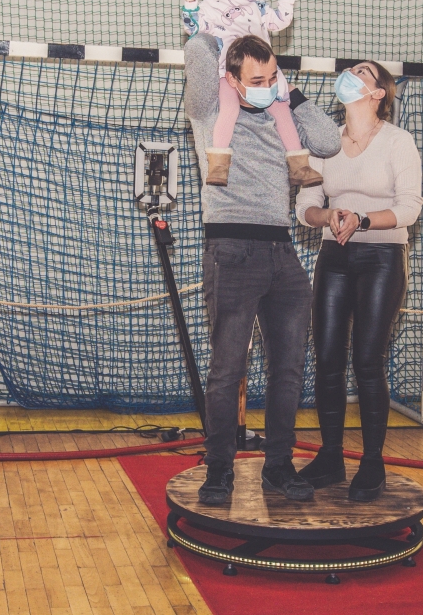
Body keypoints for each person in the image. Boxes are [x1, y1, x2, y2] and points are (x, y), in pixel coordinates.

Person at [184, 32, 342, 504]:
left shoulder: (280, 112)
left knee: (288, 368)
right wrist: (223, 21)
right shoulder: (209, 110)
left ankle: (278, 466)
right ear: (231, 79)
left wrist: (289, 92)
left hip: (281, 252)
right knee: (227, 369)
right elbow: (196, 51)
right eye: (256, 80)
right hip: (231, 249)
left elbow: (328, 142)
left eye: (272, 76)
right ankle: (219, 470)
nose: (266, 85)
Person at [294, 61, 423, 502]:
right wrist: (327, 215)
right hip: (333, 256)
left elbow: (410, 208)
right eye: (349, 69)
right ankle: (331, 457)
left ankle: (372, 463)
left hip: (382, 257)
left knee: (368, 361)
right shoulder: (324, 143)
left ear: (378, 93)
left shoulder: (398, 141)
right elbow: (305, 206)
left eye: (362, 72)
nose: (351, 73)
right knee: (328, 358)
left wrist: (363, 219)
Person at [179, 0, 327, 188]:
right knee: (228, 108)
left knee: (282, 111)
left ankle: (299, 166)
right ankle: (218, 163)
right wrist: (190, 0)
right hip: (228, 73)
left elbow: (280, 22)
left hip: (263, 72)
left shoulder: (258, 5)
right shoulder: (211, 5)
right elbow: (194, 29)